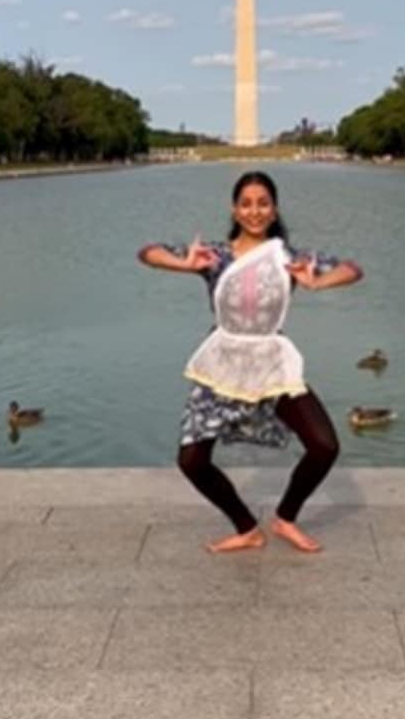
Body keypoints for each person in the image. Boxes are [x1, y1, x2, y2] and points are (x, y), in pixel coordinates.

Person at [138, 171, 364, 554]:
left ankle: (285, 518)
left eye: (263, 203)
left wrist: (316, 283)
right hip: (223, 364)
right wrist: (185, 265)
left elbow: (352, 269)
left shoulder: (288, 258)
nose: (254, 211)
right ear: (234, 209)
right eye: (246, 204)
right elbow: (147, 251)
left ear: (274, 210)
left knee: (324, 445)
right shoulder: (215, 254)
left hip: (270, 363)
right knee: (192, 460)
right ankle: (246, 527)